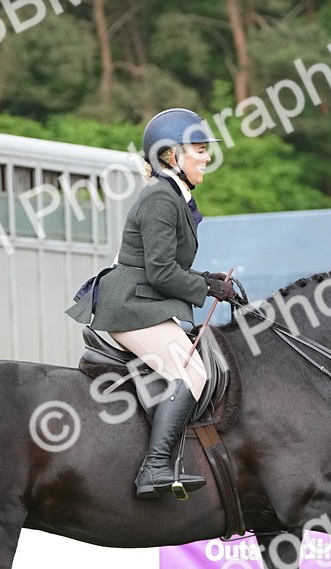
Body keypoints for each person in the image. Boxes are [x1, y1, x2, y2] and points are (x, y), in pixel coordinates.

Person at [66, 108, 235, 499]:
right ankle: (155, 467)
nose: (207, 157)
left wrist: (208, 280)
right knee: (193, 373)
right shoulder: (161, 197)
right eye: (199, 149)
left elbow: (166, 265)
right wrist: (206, 289)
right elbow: (160, 272)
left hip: (144, 302)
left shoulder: (174, 195)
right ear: (171, 156)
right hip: (131, 306)